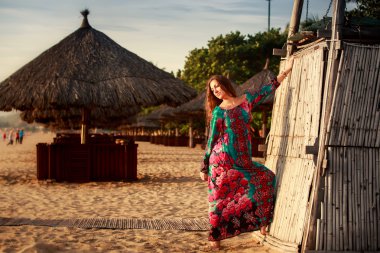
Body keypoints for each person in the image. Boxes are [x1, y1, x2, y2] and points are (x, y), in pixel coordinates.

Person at [200, 56, 294, 250]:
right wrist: (204, 165)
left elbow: (267, 89)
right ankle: (216, 239)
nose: (216, 91)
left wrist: (284, 73)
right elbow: (211, 140)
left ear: (225, 85)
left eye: (217, 86)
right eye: (212, 89)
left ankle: (261, 223)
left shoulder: (246, 100)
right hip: (221, 160)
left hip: (243, 159)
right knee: (219, 199)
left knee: (266, 178)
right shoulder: (218, 112)